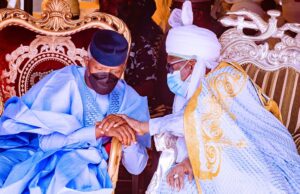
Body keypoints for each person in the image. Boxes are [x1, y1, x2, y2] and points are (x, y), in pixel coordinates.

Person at [99, 1, 300, 193]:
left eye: (173, 66)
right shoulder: (194, 88)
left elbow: (200, 123)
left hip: (251, 164)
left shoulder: (224, 79)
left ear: (192, 65)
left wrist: (144, 126)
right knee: (173, 182)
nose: (169, 73)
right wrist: (187, 164)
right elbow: (208, 138)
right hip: (213, 164)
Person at [0, 29, 150, 193]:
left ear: (124, 67)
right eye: (99, 68)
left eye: (115, 72)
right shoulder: (63, 83)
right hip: (37, 155)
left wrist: (128, 139)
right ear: (87, 61)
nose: (107, 77)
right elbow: (45, 143)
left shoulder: (128, 98)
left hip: (84, 167)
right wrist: (97, 132)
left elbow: (137, 168)